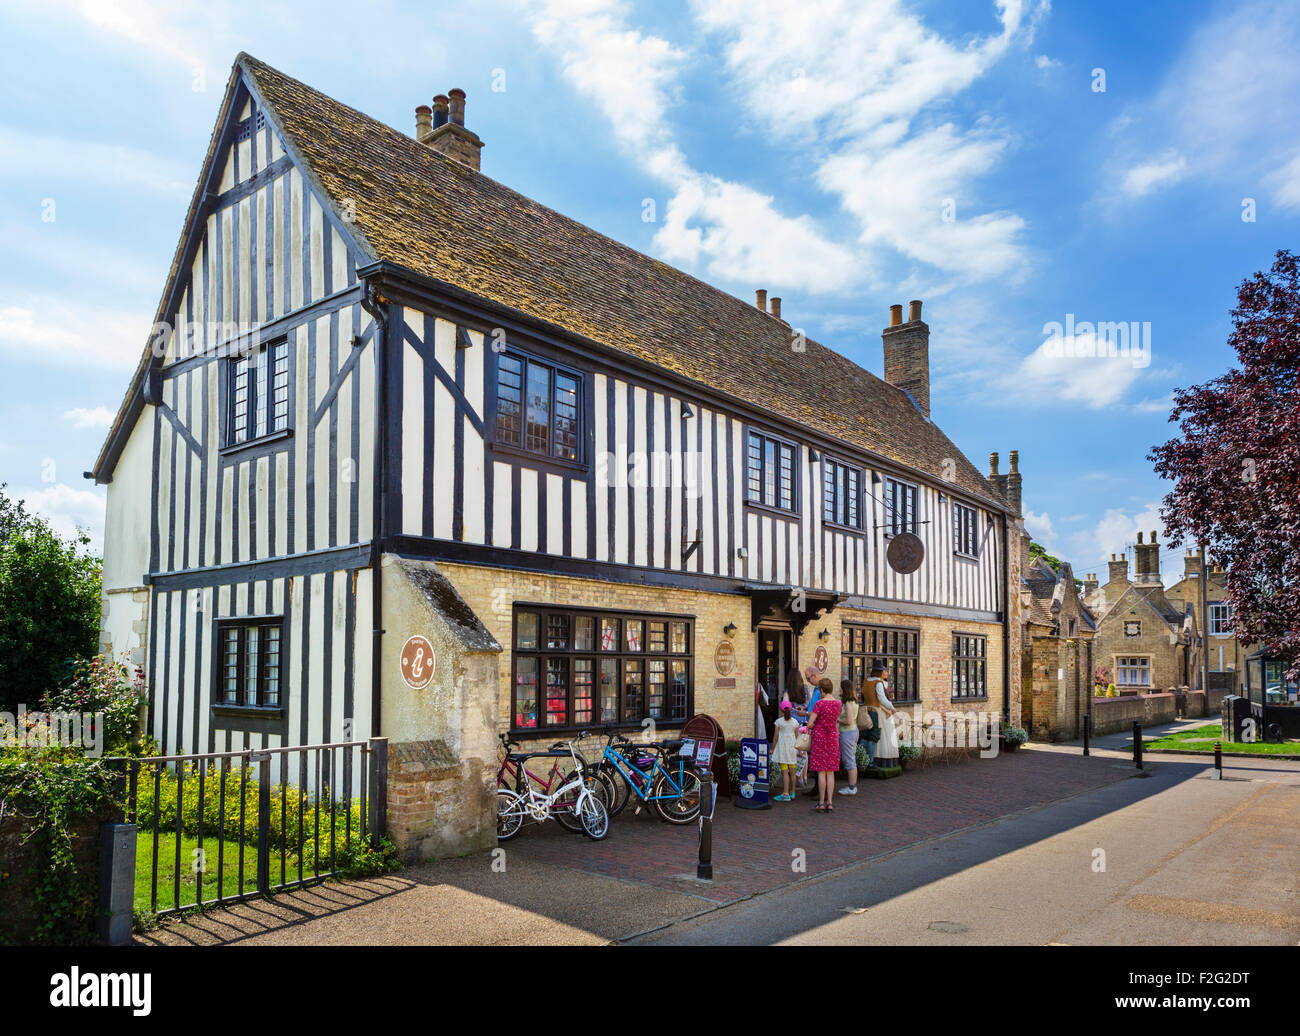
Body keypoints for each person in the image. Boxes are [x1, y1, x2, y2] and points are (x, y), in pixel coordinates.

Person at [806, 676, 842, 812]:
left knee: (821, 771)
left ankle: (821, 802)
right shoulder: (838, 703)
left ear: (821, 690)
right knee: (830, 771)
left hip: (820, 736)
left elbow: (810, 723)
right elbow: (836, 719)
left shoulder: (819, 704)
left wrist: (814, 725)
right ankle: (830, 802)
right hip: (833, 735)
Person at [863, 664, 900, 768]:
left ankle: (866, 759)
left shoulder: (866, 682)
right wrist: (892, 708)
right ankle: (876, 761)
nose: (886, 672)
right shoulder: (878, 683)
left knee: (867, 736)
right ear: (879, 672)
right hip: (878, 712)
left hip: (867, 711)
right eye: (884, 670)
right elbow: (881, 699)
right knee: (880, 736)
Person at [771, 701, 800, 802]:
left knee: (785, 772)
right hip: (792, 748)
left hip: (783, 748)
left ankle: (785, 793)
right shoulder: (795, 722)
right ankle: (793, 792)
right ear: (791, 710)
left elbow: (775, 737)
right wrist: (799, 750)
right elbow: (797, 736)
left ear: (781, 710)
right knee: (792, 771)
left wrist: (772, 748)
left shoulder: (779, 721)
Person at [836, 679, 860, 796]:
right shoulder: (854, 702)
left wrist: (838, 719)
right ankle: (852, 786)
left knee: (849, 760)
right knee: (851, 759)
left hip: (848, 733)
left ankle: (852, 787)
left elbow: (849, 720)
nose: (838, 689)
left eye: (840, 688)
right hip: (853, 731)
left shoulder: (848, 704)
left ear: (844, 690)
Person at [856, 678, 877, 768]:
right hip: (873, 712)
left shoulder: (865, 685)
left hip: (865, 710)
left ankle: (861, 758)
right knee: (872, 737)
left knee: (865, 736)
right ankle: (869, 761)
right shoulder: (877, 684)